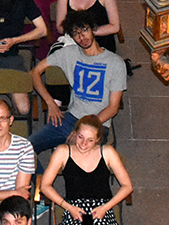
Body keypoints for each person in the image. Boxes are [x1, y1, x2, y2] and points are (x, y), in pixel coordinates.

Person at [29, 11, 126, 152]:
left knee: (78, 160)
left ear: (93, 30)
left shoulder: (115, 62)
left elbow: (113, 108)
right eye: (76, 33)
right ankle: (41, 175)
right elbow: (35, 72)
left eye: (84, 30)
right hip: (71, 118)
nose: (82, 37)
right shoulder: (69, 53)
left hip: (98, 123)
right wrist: (50, 102)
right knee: (26, 148)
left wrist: (84, 129)